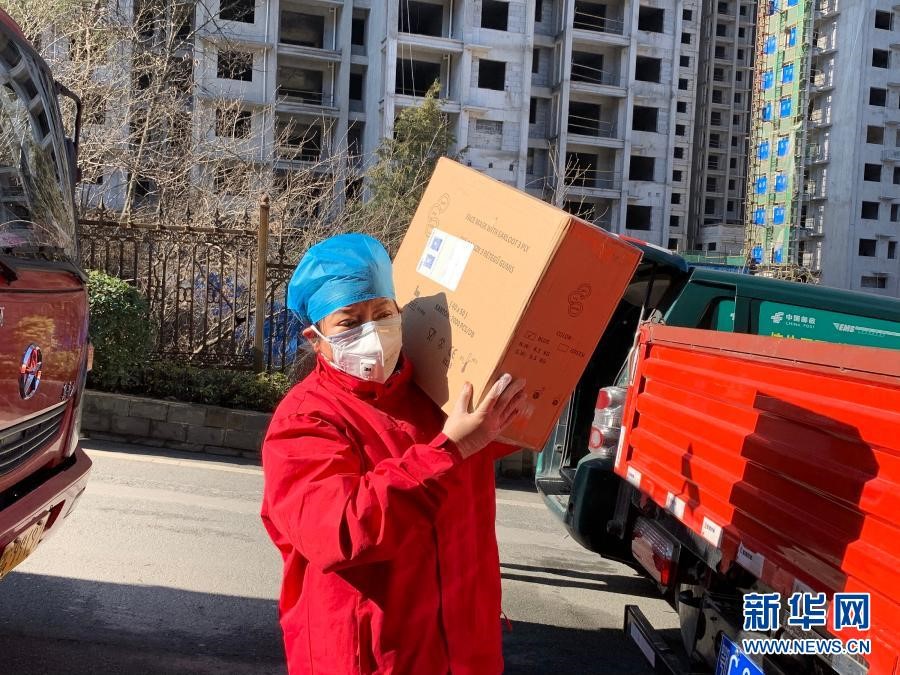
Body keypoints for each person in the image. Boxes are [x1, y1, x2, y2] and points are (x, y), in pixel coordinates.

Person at [261, 233, 529, 674]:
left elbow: (511, 434)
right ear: (316, 338)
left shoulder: (437, 395)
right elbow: (342, 534)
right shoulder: (305, 419)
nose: (372, 331)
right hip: (370, 658)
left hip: (463, 651)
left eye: (383, 314)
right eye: (349, 322)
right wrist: (451, 448)